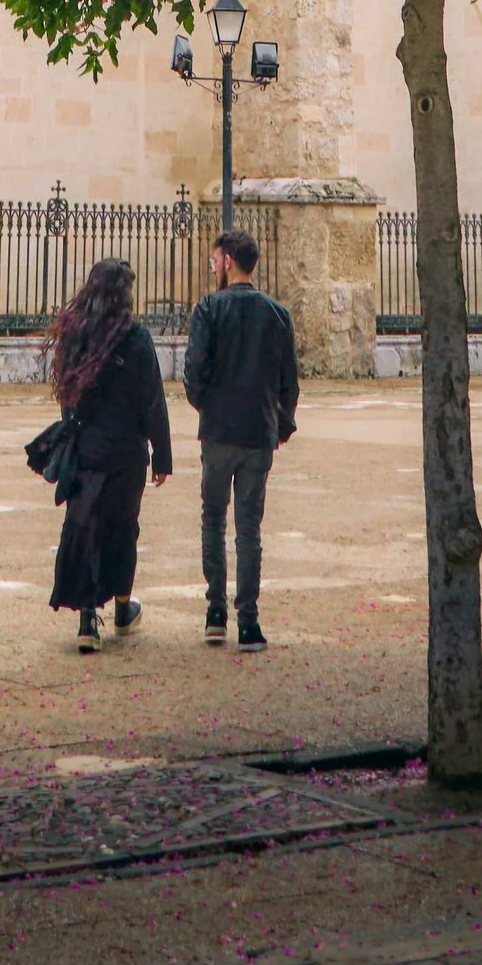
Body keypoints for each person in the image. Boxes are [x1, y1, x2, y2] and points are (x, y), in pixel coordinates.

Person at [44, 254, 173, 653]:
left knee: (86, 528)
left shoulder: (75, 334)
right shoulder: (134, 338)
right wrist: (162, 455)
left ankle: (87, 618)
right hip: (125, 451)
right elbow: (152, 401)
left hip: (86, 447)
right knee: (122, 529)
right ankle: (120, 606)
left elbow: (68, 394)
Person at [180, 228, 297, 649]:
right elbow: (289, 383)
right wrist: (278, 426)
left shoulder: (209, 308)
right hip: (257, 432)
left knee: (213, 517)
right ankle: (249, 620)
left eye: (215, 259)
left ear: (228, 261)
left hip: (219, 430)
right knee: (249, 528)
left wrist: (206, 407)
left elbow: (194, 370)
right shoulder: (277, 314)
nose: (213, 266)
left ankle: (216, 611)